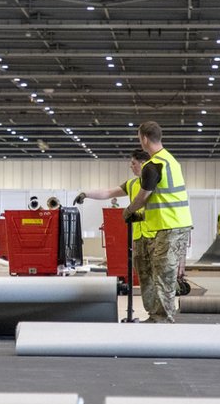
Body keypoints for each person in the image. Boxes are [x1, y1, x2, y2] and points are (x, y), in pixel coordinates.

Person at [121, 121, 193, 324]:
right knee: (159, 272)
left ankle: (163, 319)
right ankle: (157, 316)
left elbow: (144, 196)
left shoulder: (154, 165)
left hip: (170, 226)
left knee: (163, 273)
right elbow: (163, 200)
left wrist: (129, 210)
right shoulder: (170, 160)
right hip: (171, 223)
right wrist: (142, 216)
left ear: (144, 139)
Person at [74, 148, 154, 309]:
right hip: (139, 236)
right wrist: (86, 194)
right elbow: (109, 192)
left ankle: (162, 314)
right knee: (144, 277)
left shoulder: (155, 181)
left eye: (133, 163)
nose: (131, 166)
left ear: (143, 163)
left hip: (156, 234)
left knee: (158, 276)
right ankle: (152, 313)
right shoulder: (132, 184)